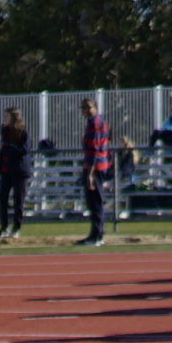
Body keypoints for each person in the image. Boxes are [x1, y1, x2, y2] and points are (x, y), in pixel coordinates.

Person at [77, 97, 112, 246]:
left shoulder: (95, 123)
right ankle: (95, 233)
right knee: (93, 203)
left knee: (95, 201)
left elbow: (94, 150)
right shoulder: (95, 122)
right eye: (84, 108)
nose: (85, 110)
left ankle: (97, 235)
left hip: (95, 167)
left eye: (88, 107)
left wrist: (90, 174)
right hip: (95, 166)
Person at [0, 108, 31, 237]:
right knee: (2, 198)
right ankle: (4, 227)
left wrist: (8, 147)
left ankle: (16, 227)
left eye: (7, 117)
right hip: (6, 170)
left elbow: (24, 150)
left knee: (18, 200)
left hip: (19, 171)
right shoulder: (4, 132)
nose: (4, 119)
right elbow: (2, 150)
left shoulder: (23, 132)